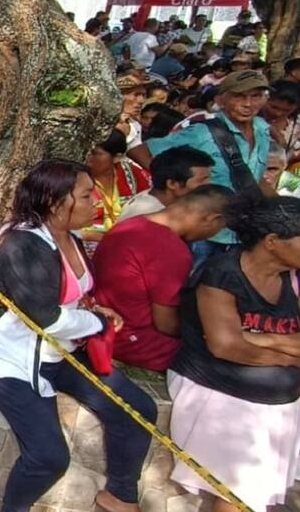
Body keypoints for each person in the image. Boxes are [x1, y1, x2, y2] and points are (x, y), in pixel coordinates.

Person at [0, 159, 186, 512]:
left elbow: (68, 302)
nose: (95, 202)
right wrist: (99, 321)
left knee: (136, 409)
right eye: (85, 195)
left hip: (58, 351)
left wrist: (92, 309)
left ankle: (120, 496)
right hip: (7, 357)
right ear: (53, 200)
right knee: (49, 455)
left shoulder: (71, 236)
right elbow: (44, 318)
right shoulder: (23, 245)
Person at [170, 194, 300, 512]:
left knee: (269, 483)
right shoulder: (221, 275)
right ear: (274, 241)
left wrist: (262, 341)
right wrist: (286, 351)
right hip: (216, 393)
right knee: (253, 479)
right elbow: (225, 347)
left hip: (278, 400)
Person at [133, 69, 271, 264]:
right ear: (221, 99)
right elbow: (141, 152)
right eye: (239, 96)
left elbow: (256, 176)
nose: (248, 104)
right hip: (204, 232)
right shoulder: (201, 132)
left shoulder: (262, 129)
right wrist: (174, 186)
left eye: (256, 96)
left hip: (242, 230)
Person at [94, 185, 233, 371]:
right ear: (212, 220)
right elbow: (167, 324)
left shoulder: (132, 223)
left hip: (108, 327)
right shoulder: (172, 249)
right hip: (137, 343)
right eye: (219, 229)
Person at [84, 130, 150, 241]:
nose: (88, 158)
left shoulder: (133, 173)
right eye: (87, 152)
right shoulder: (76, 179)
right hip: (90, 243)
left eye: (95, 153)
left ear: (117, 157)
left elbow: (150, 208)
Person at [117, 147, 214, 222]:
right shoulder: (147, 215)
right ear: (172, 184)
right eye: (202, 180)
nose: (209, 184)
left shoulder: (169, 207)